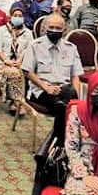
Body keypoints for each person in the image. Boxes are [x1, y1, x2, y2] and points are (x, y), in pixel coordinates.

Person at [21, 14, 83, 143]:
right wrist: (46, 87)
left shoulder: (71, 48)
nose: (54, 30)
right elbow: (27, 71)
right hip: (40, 91)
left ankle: (54, 143)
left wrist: (76, 97)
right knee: (65, 107)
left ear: (64, 29)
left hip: (64, 91)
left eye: (58, 28)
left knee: (65, 103)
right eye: (51, 27)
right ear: (45, 28)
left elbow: (75, 76)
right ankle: (61, 142)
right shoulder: (35, 45)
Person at [0, 6, 33, 114]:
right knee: (14, 72)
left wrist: (20, 60)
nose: (17, 17)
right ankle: (17, 101)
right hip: (2, 61)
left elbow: (29, 49)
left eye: (20, 16)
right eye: (15, 15)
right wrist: (6, 61)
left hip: (20, 62)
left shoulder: (28, 33)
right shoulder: (1, 30)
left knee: (17, 70)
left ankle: (15, 102)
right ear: (10, 17)